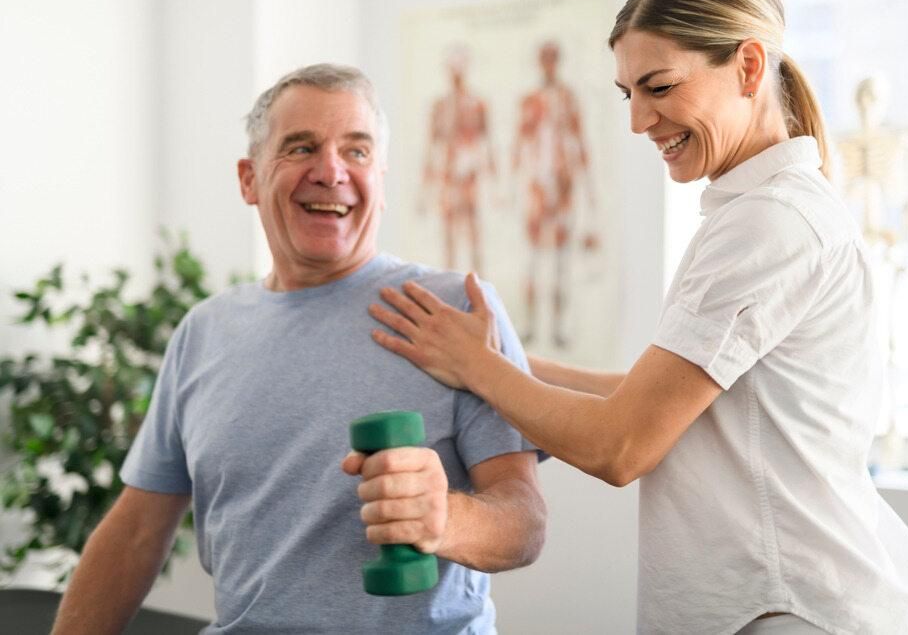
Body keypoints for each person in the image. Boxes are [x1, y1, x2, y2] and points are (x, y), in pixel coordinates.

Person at [367, 0, 908, 633]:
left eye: (660, 87)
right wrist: (504, 356)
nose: (640, 120)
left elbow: (623, 444)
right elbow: (664, 401)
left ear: (749, 65)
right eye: (628, 93)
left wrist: (479, 367)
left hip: (792, 609)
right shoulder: (754, 213)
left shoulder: (770, 224)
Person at [51, 63, 545, 634]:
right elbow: (137, 530)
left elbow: (524, 523)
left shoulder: (455, 309)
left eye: (356, 152)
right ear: (249, 180)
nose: (331, 171)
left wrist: (446, 520)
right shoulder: (204, 331)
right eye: (301, 147)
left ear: (380, 180)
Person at [511, 41, 598, 348]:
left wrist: (589, 191)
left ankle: (559, 327)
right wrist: (513, 188)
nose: (548, 63)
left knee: (561, 259)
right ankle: (530, 325)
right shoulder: (530, 101)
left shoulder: (567, 98)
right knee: (534, 258)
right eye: (543, 58)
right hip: (537, 186)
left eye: (552, 58)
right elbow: (519, 144)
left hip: (563, 186)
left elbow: (580, 141)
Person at [422, 44, 496, 273]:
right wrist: (425, 187)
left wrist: (494, 183)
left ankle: (479, 283)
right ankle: (451, 283)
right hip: (447, 175)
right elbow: (431, 146)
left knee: (473, 232)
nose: (456, 72)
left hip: (469, 175)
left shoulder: (476, 104)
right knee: (448, 235)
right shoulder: (440, 106)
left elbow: (486, 143)